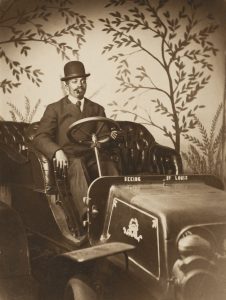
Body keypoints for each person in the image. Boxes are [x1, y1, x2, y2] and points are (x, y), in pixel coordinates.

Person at [32, 61, 119, 237]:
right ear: (66, 86)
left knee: (108, 165)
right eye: (74, 82)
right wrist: (57, 151)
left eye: (82, 81)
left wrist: (109, 138)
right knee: (78, 165)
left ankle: (119, 212)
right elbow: (40, 137)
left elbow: (103, 134)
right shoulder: (55, 109)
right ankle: (89, 219)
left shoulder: (96, 108)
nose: (79, 85)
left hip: (91, 154)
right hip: (70, 158)